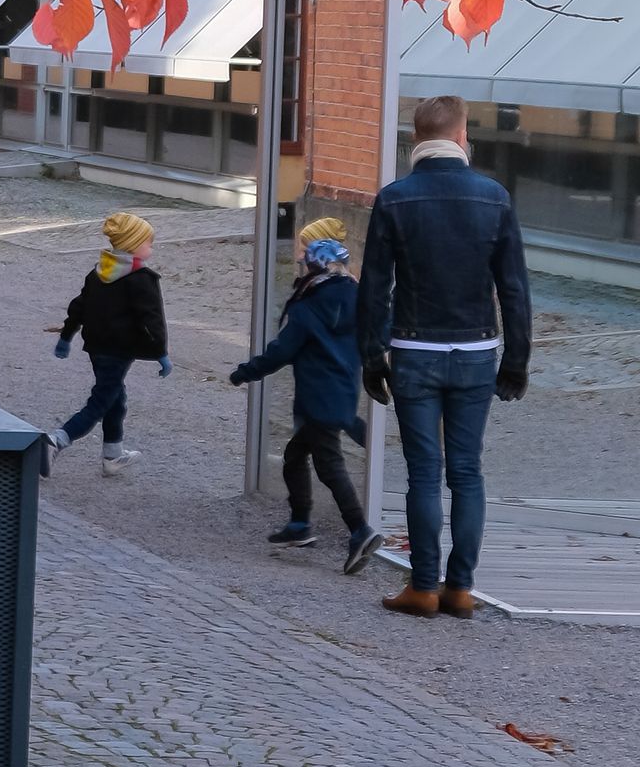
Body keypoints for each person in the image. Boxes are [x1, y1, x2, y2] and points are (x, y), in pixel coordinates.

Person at [357, 92, 531, 618]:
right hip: (477, 352)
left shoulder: (394, 199)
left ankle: (424, 586)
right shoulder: (495, 197)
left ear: (416, 140)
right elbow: (515, 289)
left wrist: (371, 356)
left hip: (414, 352)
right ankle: (460, 588)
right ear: (461, 137)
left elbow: (374, 289)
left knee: (423, 473)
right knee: (467, 472)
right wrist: (516, 361)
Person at [228, 221, 374, 572]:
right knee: (295, 455)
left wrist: (245, 372)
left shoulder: (306, 307)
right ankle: (299, 524)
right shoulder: (358, 298)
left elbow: (282, 351)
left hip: (317, 397)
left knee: (329, 464)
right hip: (342, 390)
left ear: (313, 267)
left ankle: (359, 530)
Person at [52, 208, 169, 470]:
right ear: (134, 244)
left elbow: (78, 306)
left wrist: (67, 336)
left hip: (96, 346)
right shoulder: (141, 279)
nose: (151, 247)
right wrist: (161, 352)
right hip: (120, 350)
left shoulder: (99, 273)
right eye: (148, 242)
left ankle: (112, 455)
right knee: (101, 401)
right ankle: (58, 439)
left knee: (116, 396)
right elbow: (152, 319)